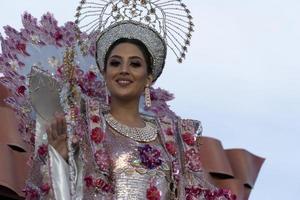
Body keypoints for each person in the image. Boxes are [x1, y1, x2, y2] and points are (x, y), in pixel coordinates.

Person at [0, 1, 263, 200]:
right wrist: (59, 158)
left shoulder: (176, 137)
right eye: (116, 63)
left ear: (148, 77)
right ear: (105, 73)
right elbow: (51, 190)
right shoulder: (82, 128)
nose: (124, 70)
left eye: (135, 64)